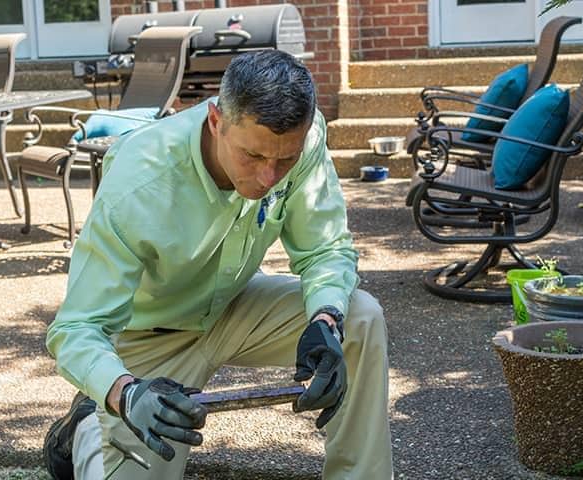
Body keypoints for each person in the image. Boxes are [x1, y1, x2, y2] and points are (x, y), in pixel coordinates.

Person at [43, 50, 393, 480]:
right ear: (215, 121)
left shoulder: (304, 139)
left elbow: (326, 250)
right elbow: (76, 329)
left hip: (233, 305)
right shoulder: (139, 179)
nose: (269, 178)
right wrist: (125, 392)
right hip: (148, 343)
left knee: (359, 317)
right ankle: (84, 425)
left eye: (284, 161)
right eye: (253, 156)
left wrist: (325, 320)